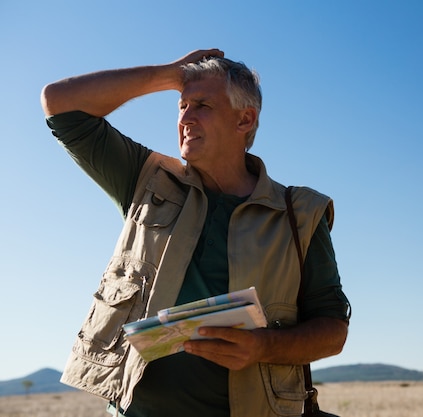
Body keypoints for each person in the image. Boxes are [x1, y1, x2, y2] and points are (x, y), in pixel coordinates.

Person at [40, 49, 350, 417]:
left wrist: (262, 347)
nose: (185, 117)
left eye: (201, 105)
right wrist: (169, 75)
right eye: (181, 106)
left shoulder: (299, 213)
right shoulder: (146, 180)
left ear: (245, 120)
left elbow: (333, 329)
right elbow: (59, 102)